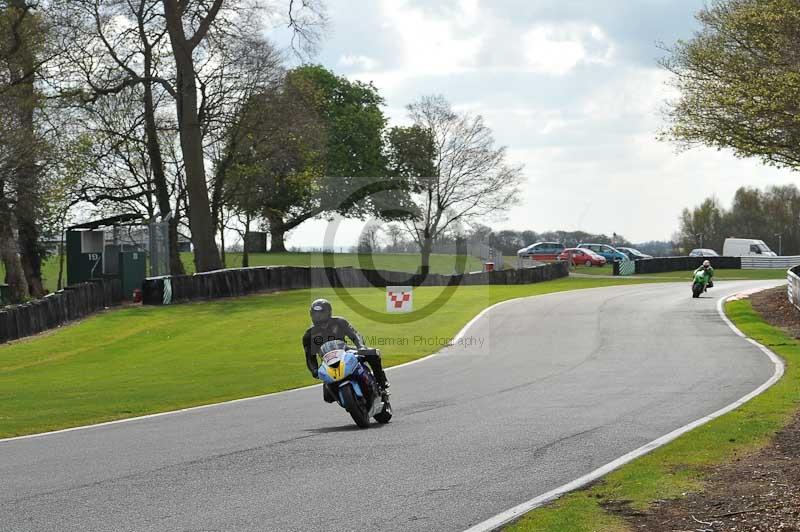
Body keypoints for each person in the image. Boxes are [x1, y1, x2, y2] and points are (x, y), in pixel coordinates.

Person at [302, 299, 390, 401]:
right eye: (315, 313)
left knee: (373, 353)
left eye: (321, 313)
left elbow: (355, 335)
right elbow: (309, 357)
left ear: (329, 312)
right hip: (327, 361)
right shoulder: (308, 335)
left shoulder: (339, 322)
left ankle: (382, 383)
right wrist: (314, 370)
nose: (318, 316)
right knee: (328, 397)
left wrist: (360, 346)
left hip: (346, 351)